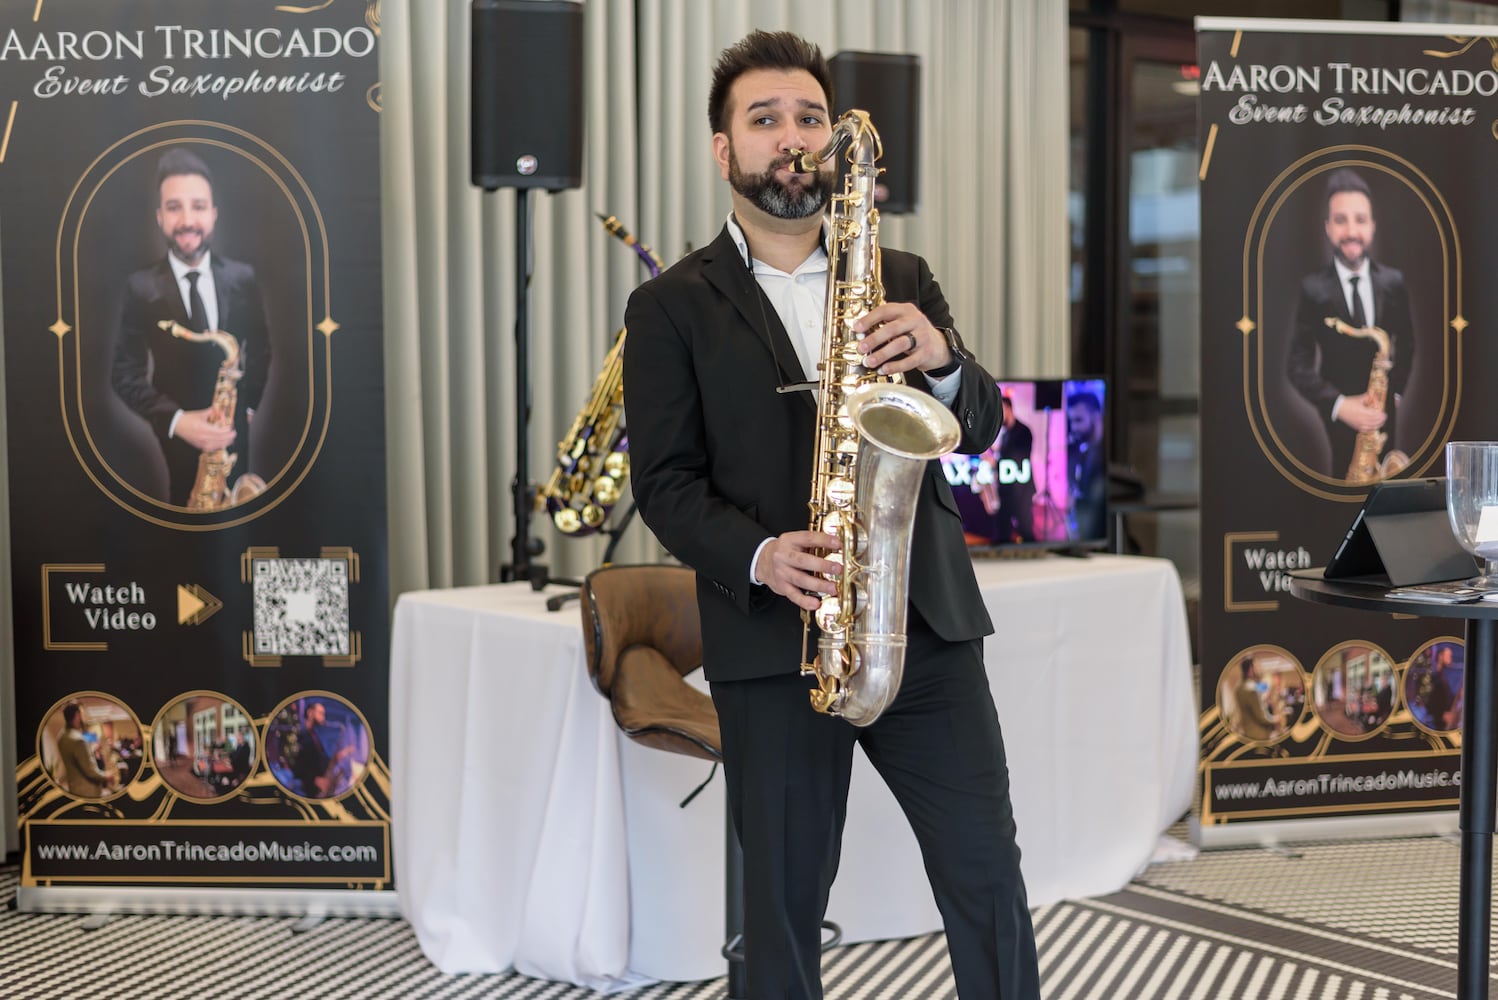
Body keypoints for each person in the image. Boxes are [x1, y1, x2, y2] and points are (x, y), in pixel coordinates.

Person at [622, 30, 1039, 999]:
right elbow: (667, 485)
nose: (792, 136)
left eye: (809, 116)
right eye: (764, 119)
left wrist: (939, 355)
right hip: (776, 642)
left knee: (986, 872)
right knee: (779, 906)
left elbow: (978, 423)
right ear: (723, 152)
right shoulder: (670, 307)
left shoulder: (904, 276)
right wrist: (762, 554)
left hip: (922, 626)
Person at [111, 147, 271, 507]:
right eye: (174, 207)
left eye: (198, 206)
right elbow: (124, 374)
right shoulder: (141, 288)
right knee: (184, 515)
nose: (187, 220)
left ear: (213, 215)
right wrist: (178, 421)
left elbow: (261, 349)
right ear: (159, 217)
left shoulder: (242, 278)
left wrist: (246, 409)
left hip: (231, 427)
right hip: (176, 436)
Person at [1285, 167, 1413, 480]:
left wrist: (1393, 394)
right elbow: (1297, 364)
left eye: (1360, 219)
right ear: (1328, 228)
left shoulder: (1394, 282)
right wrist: (1340, 405)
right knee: (1342, 485)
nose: (1351, 230)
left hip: (1382, 408)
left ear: (1372, 226)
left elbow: (1408, 343)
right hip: (1337, 415)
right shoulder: (1313, 289)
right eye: (1340, 220)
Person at [983, 394, 1035, 543]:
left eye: (1000, 411)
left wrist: (995, 463)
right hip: (1007, 490)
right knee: (1002, 530)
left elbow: (1017, 460)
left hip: (1021, 491)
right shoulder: (1006, 435)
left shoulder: (1023, 432)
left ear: (1008, 408)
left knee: (1025, 530)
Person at [1066, 389, 1106, 541]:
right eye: (1072, 422)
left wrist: (1075, 501)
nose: (1074, 428)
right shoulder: (1082, 452)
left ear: (1096, 417)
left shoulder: (1104, 454)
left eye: (1079, 420)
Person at [57, 703, 116, 797]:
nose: (84, 718)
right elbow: (91, 772)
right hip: (88, 791)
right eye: (82, 714)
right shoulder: (79, 740)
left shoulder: (62, 736)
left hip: (74, 787)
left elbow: (76, 759)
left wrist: (91, 749)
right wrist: (107, 776)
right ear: (77, 716)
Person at [1231, 658, 1278, 742]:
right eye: (1257, 666)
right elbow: (1262, 717)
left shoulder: (1238, 688)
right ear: (1251, 669)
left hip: (1248, 733)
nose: (1259, 669)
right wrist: (1276, 719)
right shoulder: (1252, 689)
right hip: (1259, 735)